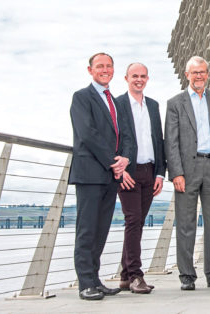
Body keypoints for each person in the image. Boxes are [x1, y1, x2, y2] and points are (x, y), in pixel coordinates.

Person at [165, 56, 210, 290]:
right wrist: (175, 172)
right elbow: (171, 142)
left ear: (207, 74)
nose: (199, 76)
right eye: (195, 72)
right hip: (186, 170)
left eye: (203, 72)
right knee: (186, 223)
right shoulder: (175, 103)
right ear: (187, 75)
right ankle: (187, 275)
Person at [69, 52, 135, 300]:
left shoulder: (115, 102)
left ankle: (95, 280)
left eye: (109, 66)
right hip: (90, 174)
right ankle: (85, 283)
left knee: (101, 230)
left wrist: (125, 159)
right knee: (87, 230)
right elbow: (87, 133)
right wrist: (113, 162)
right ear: (90, 70)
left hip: (109, 176)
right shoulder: (81, 98)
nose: (105, 70)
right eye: (100, 66)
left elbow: (126, 135)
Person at [116, 62, 166, 294]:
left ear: (147, 78)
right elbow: (112, 139)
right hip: (128, 172)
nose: (139, 79)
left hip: (149, 171)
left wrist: (160, 172)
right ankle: (136, 275)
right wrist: (120, 169)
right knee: (133, 220)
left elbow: (159, 140)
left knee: (138, 223)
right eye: (134, 76)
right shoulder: (117, 105)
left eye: (143, 76)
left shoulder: (153, 105)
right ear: (126, 78)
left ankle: (125, 276)